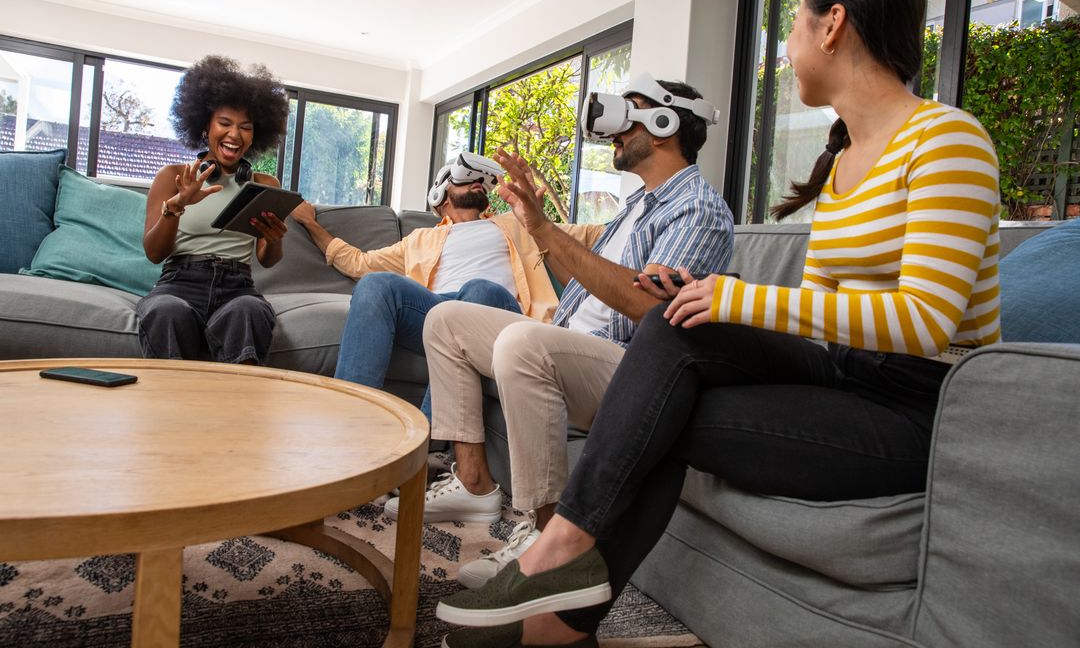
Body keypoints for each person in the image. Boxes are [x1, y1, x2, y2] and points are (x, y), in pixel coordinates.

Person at [434, 0, 1002, 647]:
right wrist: (706, 301)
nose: (787, 52)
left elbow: (925, 322)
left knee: (670, 393)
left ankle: (558, 581)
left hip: (914, 408)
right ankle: (564, 579)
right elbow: (820, 319)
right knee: (675, 328)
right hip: (842, 375)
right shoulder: (846, 162)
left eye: (791, 31)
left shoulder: (949, 141)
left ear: (833, 26)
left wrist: (736, 299)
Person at [384, 76, 735, 592]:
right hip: (579, 348)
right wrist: (535, 220)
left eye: (628, 114)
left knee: (522, 343)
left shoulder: (698, 209)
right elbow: (592, 287)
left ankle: (546, 534)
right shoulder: (636, 206)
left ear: (663, 125)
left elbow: (648, 309)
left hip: (635, 371)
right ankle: (474, 482)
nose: (613, 132)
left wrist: (544, 231)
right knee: (446, 320)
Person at [291, 152, 604, 419]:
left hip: (499, 314)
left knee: (478, 289)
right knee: (376, 284)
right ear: (438, 195)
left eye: (481, 181)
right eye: (465, 179)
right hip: (437, 315)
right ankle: (351, 430)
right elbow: (358, 263)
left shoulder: (515, 223)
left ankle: (427, 452)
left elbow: (595, 235)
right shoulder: (419, 239)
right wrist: (310, 222)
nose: (477, 184)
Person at [136, 55, 290, 365]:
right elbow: (154, 253)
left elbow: (268, 259)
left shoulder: (264, 183)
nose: (235, 134)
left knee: (249, 312)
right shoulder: (172, 176)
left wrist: (274, 239)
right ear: (205, 126)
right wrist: (175, 208)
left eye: (245, 128)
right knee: (166, 311)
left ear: (254, 136)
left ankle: (234, 409)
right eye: (225, 123)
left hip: (238, 286)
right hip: (179, 282)